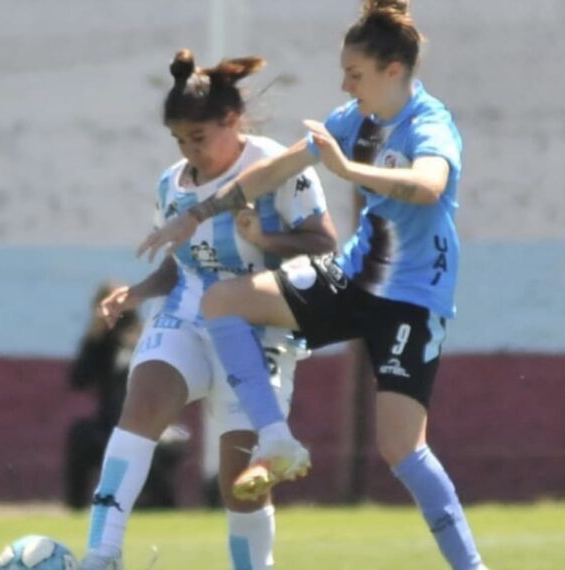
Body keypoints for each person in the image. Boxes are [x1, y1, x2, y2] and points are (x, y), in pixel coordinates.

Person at [137, 2, 489, 569]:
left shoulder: (430, 123)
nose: (345, 83)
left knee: (401, 448)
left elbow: (428, 186)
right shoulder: (355, 119)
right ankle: (275, 438)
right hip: (352, 278)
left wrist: (349, 173)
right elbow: (275, 171)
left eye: (355, 73)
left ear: (392, 70)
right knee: (224, 299)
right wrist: (199, 214)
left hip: (412, 301)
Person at [80, 49, 337, 570]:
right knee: (144, 402)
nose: (189, 151)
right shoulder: (171, 184)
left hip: (258, 327)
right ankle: (101, 555)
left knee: (240, 485)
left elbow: (323, 243)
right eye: (180, 140)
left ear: (231, 120)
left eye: (198, 138)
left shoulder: (275, 166)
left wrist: (264, 237)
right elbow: (180, 266)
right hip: (188, 313)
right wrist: (137, 292)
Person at [64, 283, 184, 511]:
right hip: (110, 424)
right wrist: (93, 338)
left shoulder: (147, 336)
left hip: (154, 424)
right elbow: (78, 380)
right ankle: (76, 508)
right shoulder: (101, 345)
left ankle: (163, 510)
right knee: (79, 436)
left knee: (155, 447)